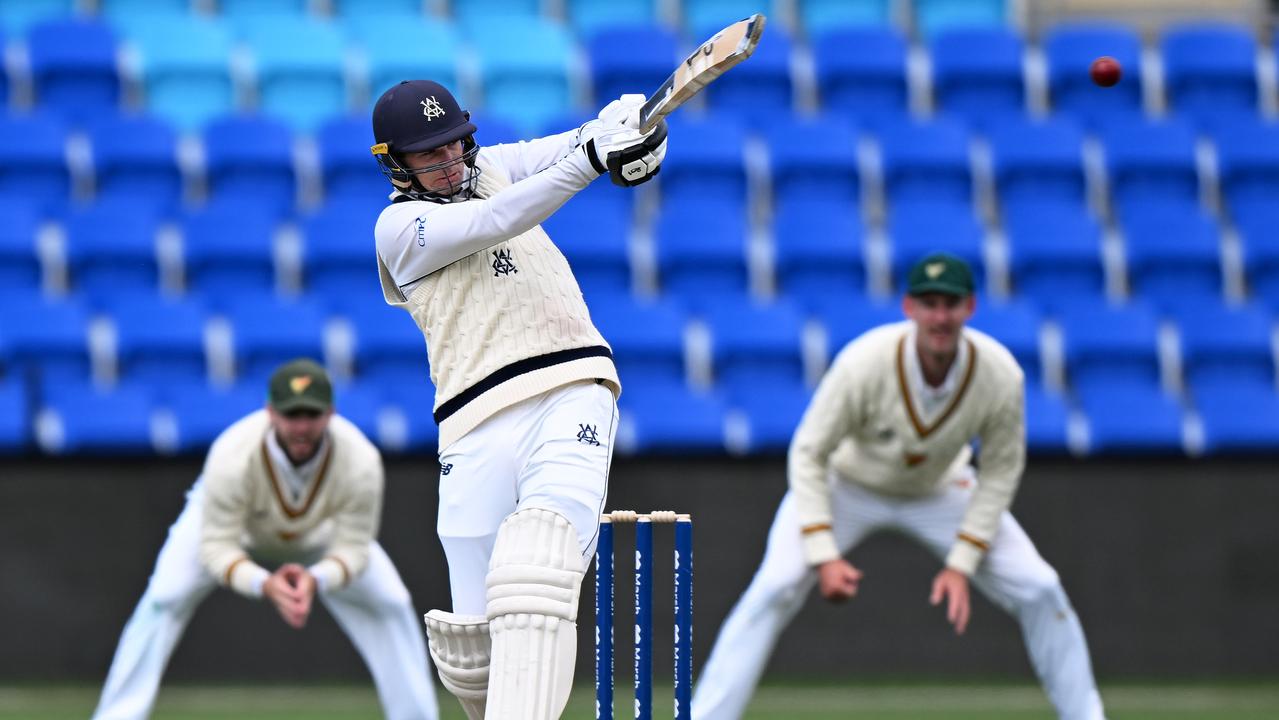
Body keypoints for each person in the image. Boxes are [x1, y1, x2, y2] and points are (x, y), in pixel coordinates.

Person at [691, 253, 1107, 720]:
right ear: (909, 307)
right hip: (845, 486)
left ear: (969, 307)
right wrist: (824, 552)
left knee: (1041, 586)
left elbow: (1001, 470)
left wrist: (962, 561)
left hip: (941, 488)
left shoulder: (1000, 374)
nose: (940, 317)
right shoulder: (864, 362)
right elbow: (808, 452)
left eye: (950, 304)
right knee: (774, 587)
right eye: (929, 304)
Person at [368, 80, 666, 720]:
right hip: (470, 423)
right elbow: (497, 219)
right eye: (429, 156)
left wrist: (626, 130)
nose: (450, 165)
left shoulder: (494, 166)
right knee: (470, 650)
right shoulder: (399, 227)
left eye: (455, 147)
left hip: (570, 387)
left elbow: (574, 144)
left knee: (539, 567)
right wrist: (593, 158)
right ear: (395, 162)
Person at [92, 359, 438, 720]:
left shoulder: (361, 461)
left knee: (392, 602)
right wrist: (264, 584)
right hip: (232, 529)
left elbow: (353, 548)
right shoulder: (232, 454)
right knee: (164, 597)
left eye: (312, 414)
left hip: (319, 533)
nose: (301, 427)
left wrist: (315, 578)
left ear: (331, 413)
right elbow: (216, 547)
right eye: (292, 415)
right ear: (270, 412)